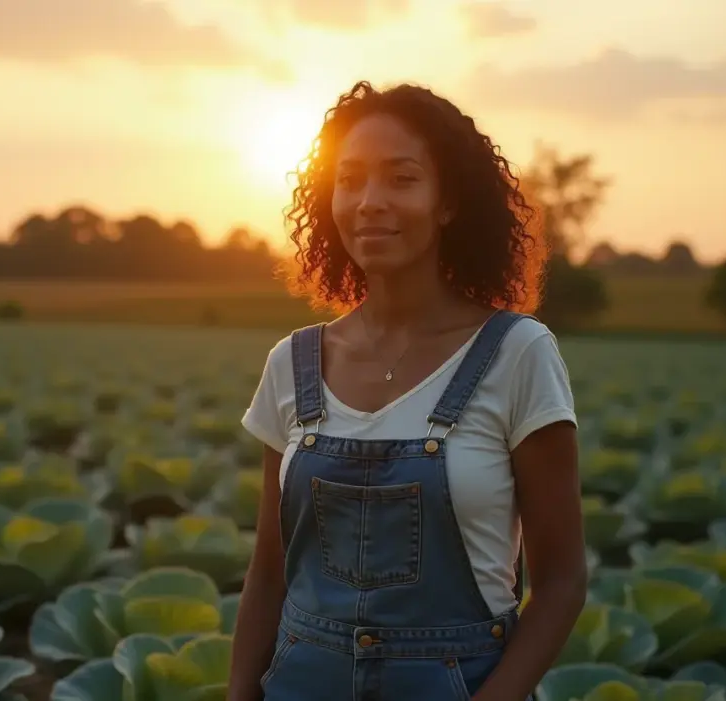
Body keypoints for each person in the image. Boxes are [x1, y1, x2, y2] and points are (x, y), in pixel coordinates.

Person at [227, 80, 587, 701]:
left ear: (448, 202)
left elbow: (561, 583)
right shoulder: (293, 362)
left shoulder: (517, 353)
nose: (370, 202)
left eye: (401, 179)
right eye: (350, 180)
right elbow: (268, 571)